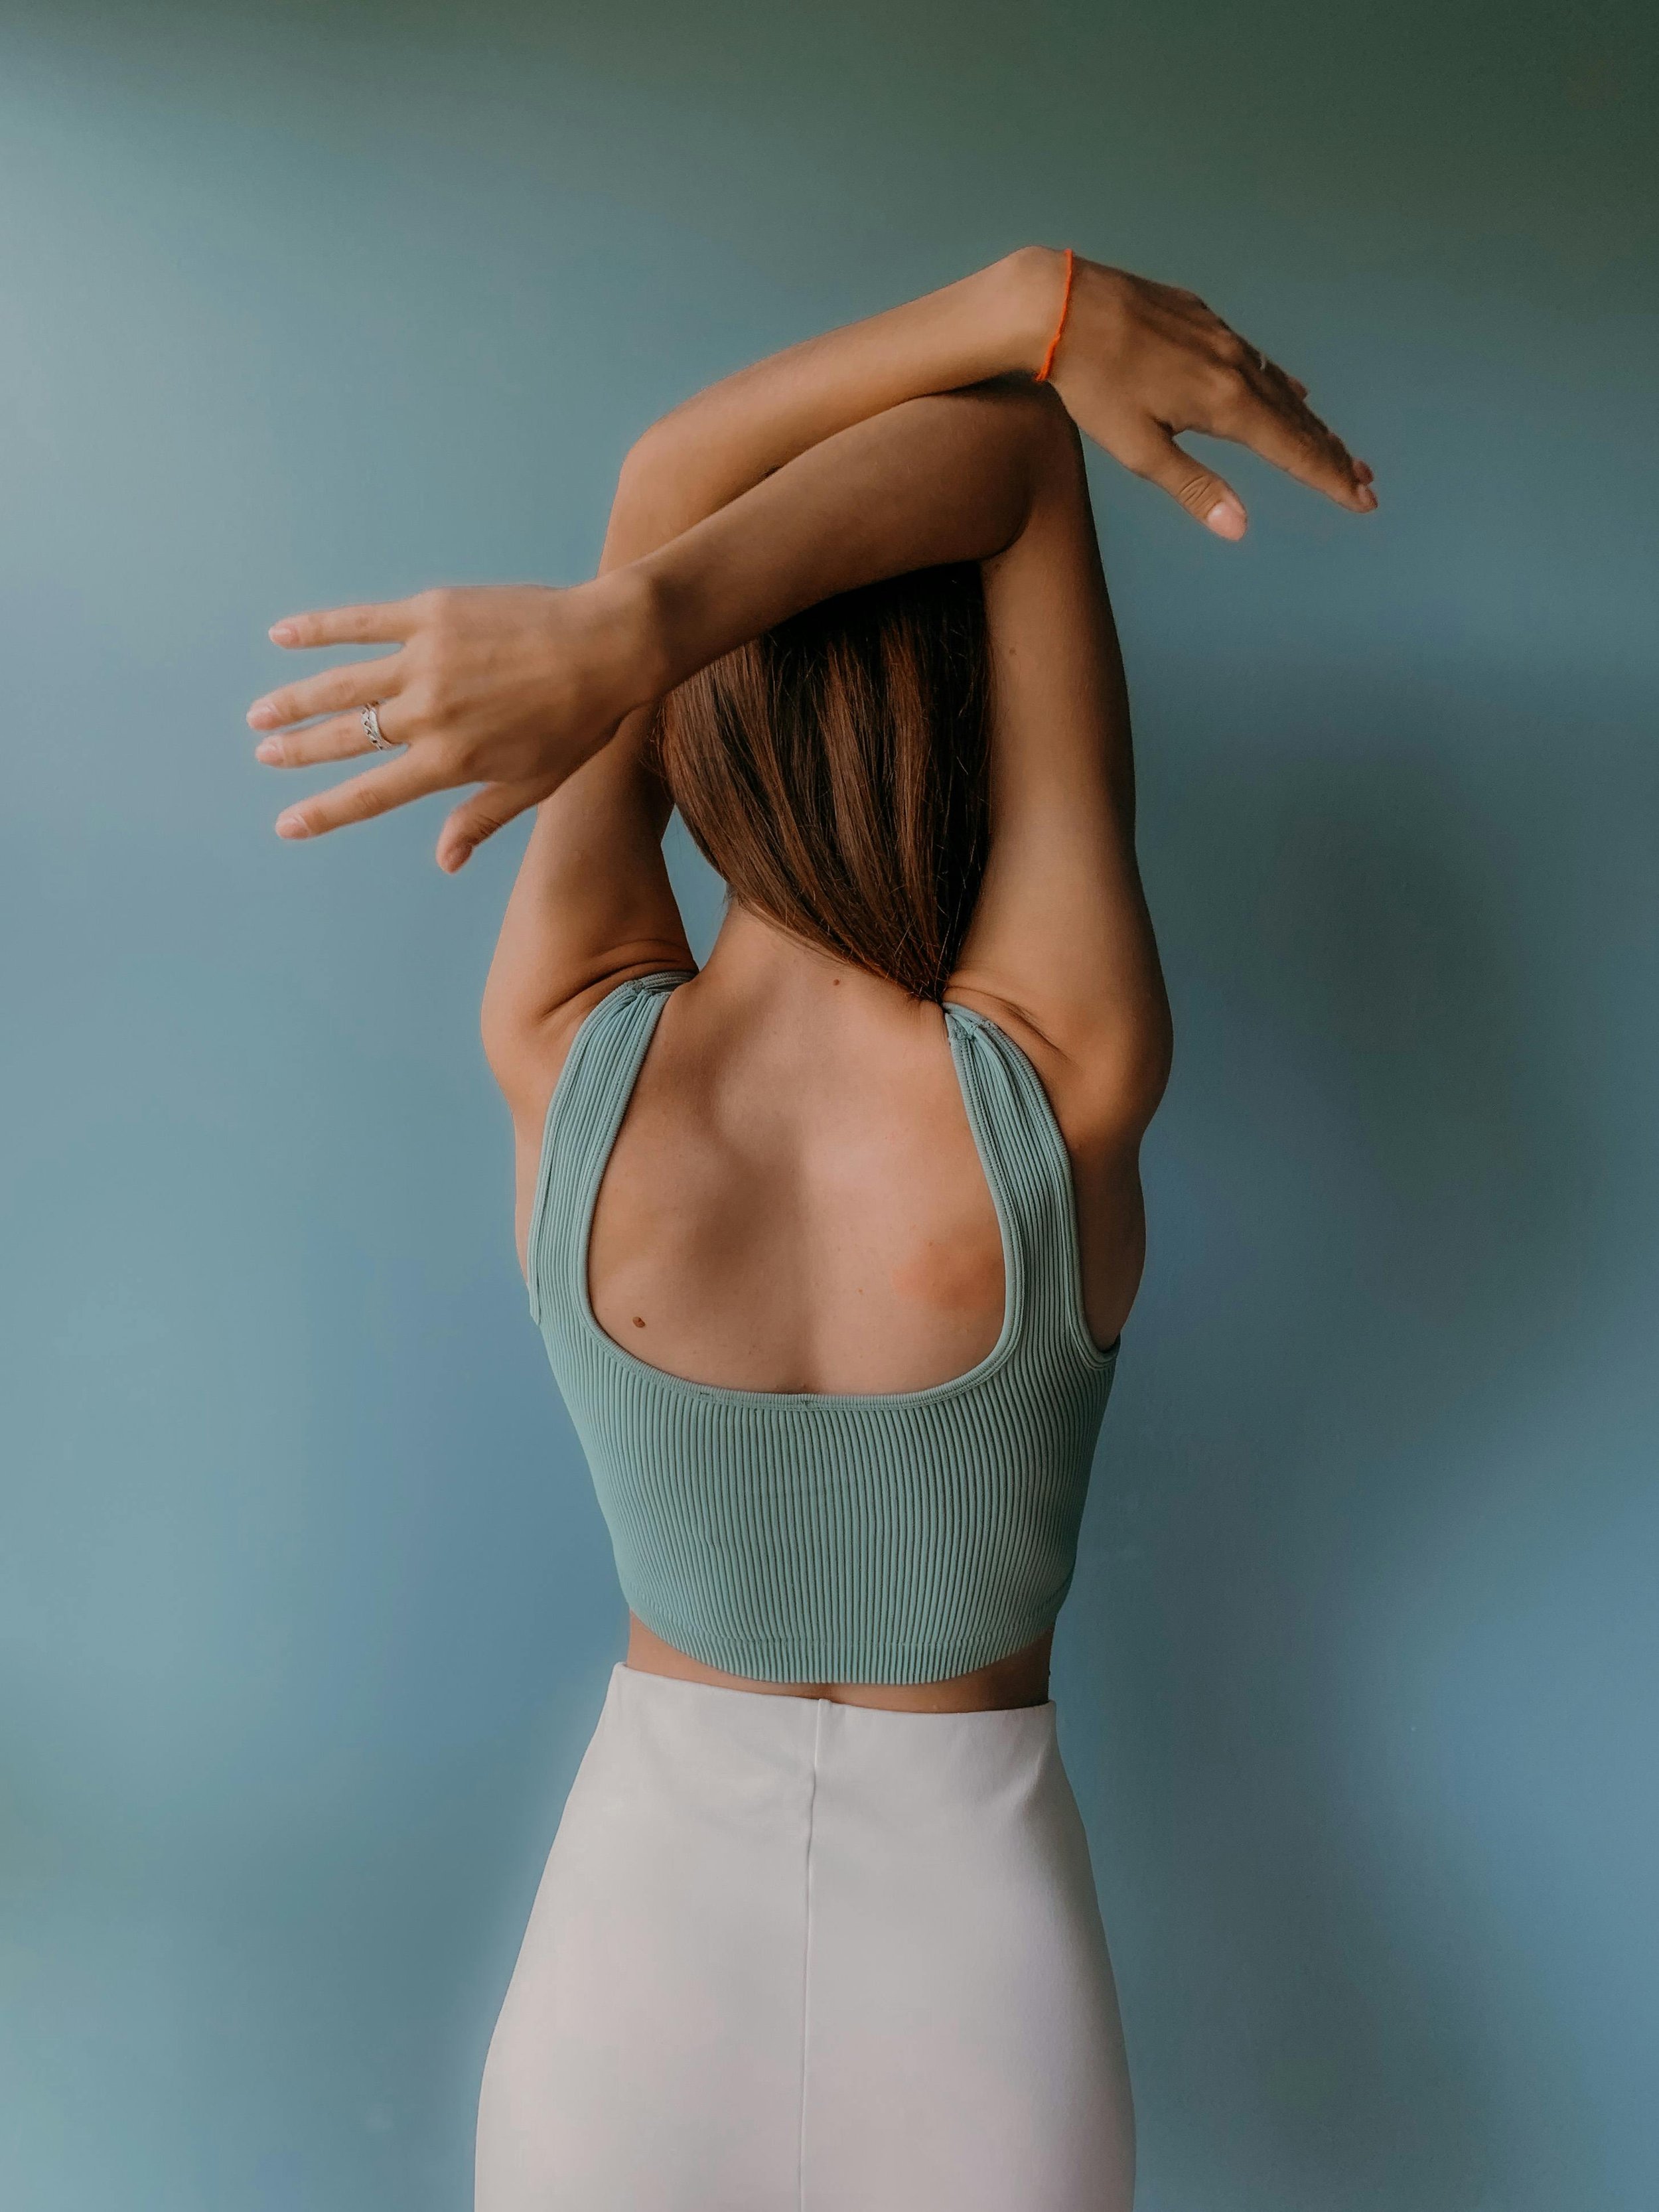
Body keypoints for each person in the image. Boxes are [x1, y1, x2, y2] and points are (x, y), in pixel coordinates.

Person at [248, 247, 1374, 2210]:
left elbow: (660, 482)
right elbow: (1010, 468)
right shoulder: (1057, 1066)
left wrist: (640, 614)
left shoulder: (566, 1046)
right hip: (977, 1966)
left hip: (628, 1957)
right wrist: (1025, 308)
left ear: (677, 730)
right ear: (985, 724)